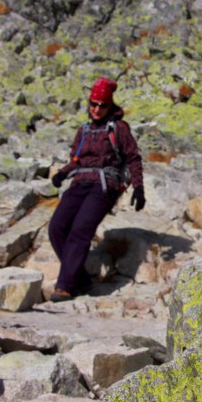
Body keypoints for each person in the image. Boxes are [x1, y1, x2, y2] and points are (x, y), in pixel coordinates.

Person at [47, 77, 145, 302]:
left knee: (80, 229)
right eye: (93, 104)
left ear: (110, 106)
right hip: (79, 183)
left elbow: (133, 157)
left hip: (104, 186)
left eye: (102, 105)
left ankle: (65, 286)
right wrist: (63, 173)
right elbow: (76, 159)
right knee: (57, 228)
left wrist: (138, 188)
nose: (97, 109)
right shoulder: (84, 130)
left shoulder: (119, 128)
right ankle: (80, 279)